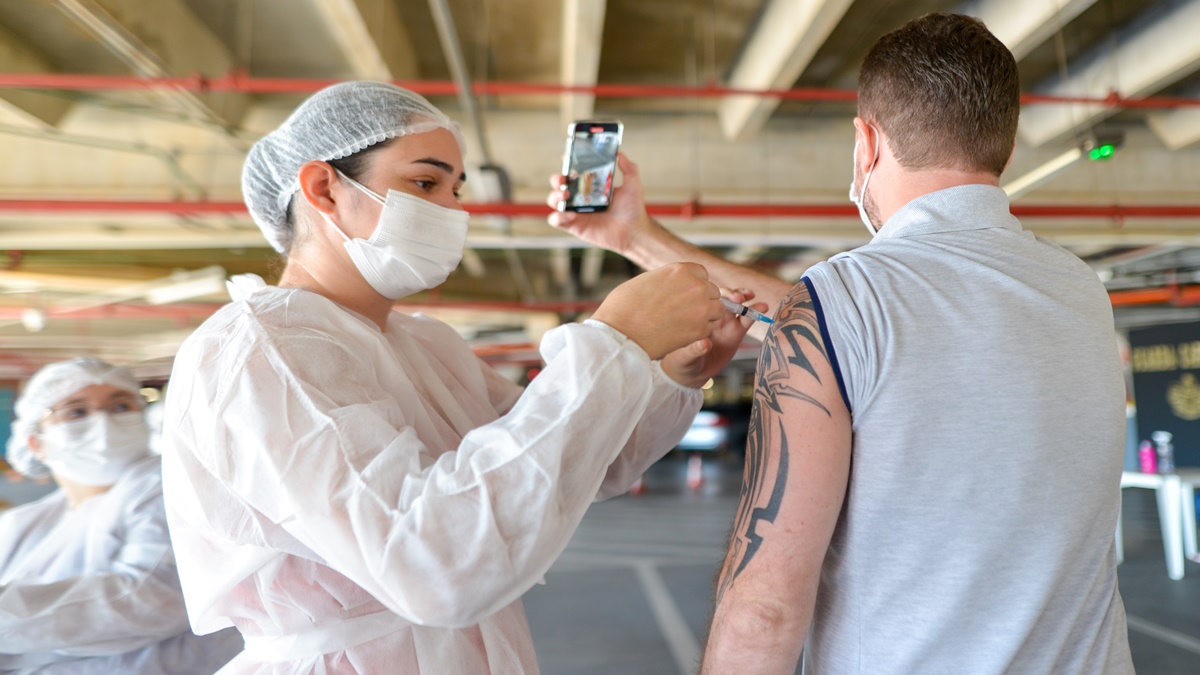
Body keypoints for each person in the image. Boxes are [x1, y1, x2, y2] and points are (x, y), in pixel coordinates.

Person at [547, 13, 1134, 675]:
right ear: (1006, 139)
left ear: (867, 142)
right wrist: (634, 238)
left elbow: (764, 606)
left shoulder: (845, 301)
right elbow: (845, 321)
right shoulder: (1082, 291)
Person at [161, 81, 756, 674]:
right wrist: (611, 341)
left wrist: (669, 378)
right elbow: (432, 566)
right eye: (425, 182)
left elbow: (571, 459)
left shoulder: (426, 344)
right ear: (324, 189)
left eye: (455, 188)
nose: (451, 209)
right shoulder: (264, 349)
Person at [0, 358, 243, 674]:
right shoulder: (25, 523)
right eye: (76, 411)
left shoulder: (168, 484)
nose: (102, 421)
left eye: (121, 406)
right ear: (36, 443)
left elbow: (151, 599)